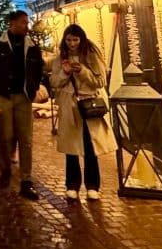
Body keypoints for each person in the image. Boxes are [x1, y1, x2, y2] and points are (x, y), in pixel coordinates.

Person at [0, 10, 44, 201]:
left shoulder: (31, 46)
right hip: (2, 95)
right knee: (4, 136)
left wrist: (33, 87)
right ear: (12, 23)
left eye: (27, 22)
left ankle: (26, 180)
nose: (26, 26)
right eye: (23, 22)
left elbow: (38, 67)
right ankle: (5, 169)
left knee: (26, 138)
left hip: (23, 96)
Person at [48, 24, 116, 201]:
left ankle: (93, 186)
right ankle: (72, 186)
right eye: (69, 40)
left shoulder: (92, 56)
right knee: (71, 148)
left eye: (75, 40)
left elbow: (100, 81)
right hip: (69, 106)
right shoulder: (60, 59)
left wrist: (83, 71)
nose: (72, 44)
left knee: (89, 146)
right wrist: (65, 72)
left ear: (81, 39)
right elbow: (54, 81)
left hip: (88, 104)